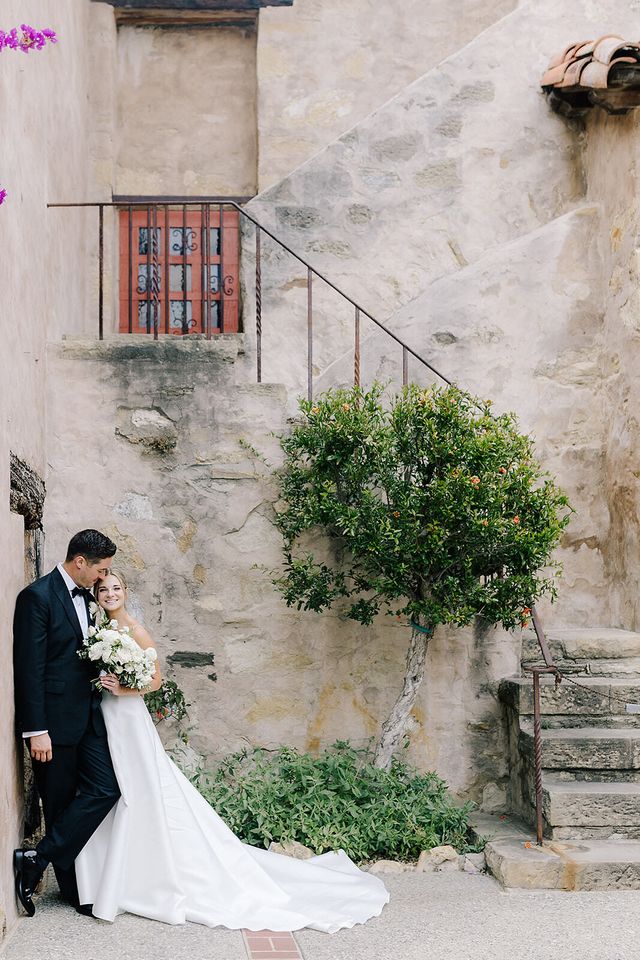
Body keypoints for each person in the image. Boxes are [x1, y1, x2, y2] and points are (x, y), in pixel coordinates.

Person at [75, 570, 390, 932]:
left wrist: (122, 690)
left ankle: (145, 876)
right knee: (114, 788)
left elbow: (156, 681)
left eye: (116, 588)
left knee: (138, 787)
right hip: (107, 714)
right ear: (96, 595)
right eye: (104, 589)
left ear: (126, 592)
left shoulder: (135, 630)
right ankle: (113, 870)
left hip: (127, 715)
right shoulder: (99, 630)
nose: (110, 594)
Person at [12, 529, 119, 917]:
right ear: (79, 563)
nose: (103, 578)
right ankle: (77, 893)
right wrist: (35, 729)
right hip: (52, 726)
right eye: (100, 570)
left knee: (106, 788)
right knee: (58, 806)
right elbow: (29, 669)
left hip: (89, 719)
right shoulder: (36, 598)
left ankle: (36, 858)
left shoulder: (88, 598)